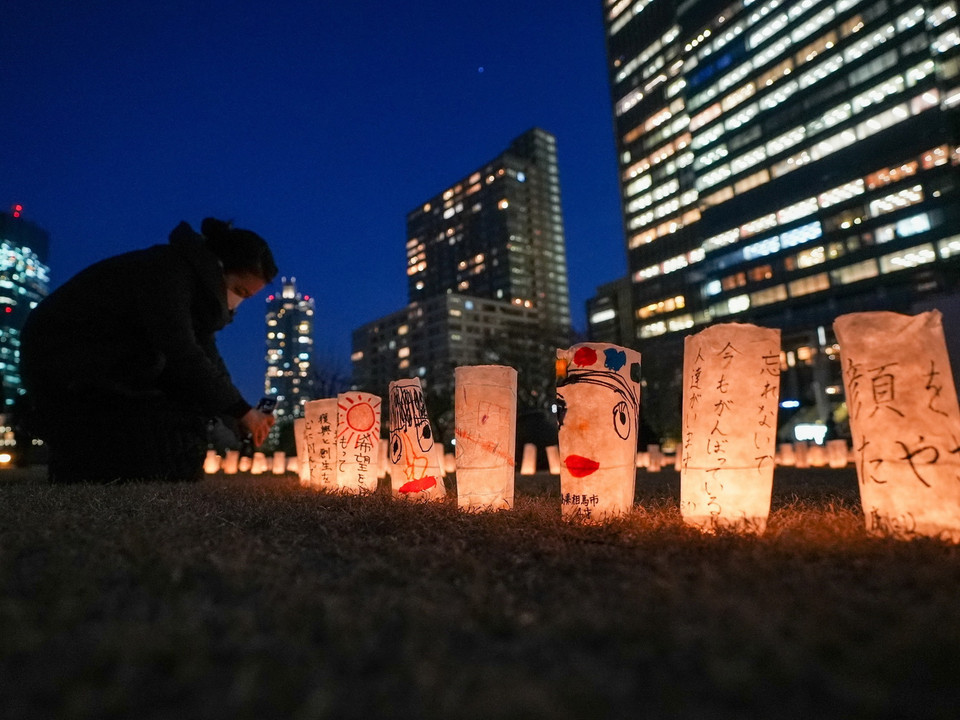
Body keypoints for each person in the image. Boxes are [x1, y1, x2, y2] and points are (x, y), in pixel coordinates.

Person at [20, 217, 277, 483]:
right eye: (238, 290)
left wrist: (237, 416)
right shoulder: (167, 272)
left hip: (103, 369)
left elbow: (209, 362)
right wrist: (241, 411)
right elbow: (182, 351)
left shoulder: (193, 298)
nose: (235, 304)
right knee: (166, 432)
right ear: (217, 267)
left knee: (181, 434)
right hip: (67, 366)